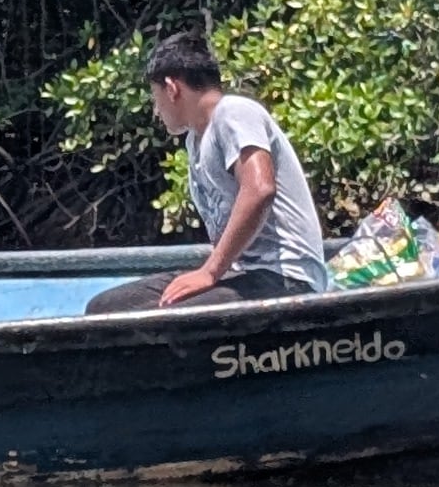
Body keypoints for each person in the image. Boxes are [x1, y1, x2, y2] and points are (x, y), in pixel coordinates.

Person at [90, 33, 326, 312]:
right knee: (105, 307)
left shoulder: (234, 112)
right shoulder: (195, 141)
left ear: (172, 88)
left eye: (155, 98)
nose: (156, 110)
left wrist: (210, 272)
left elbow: (260, 189)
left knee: (166, 315)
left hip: (285, 277)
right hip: (239, 274)